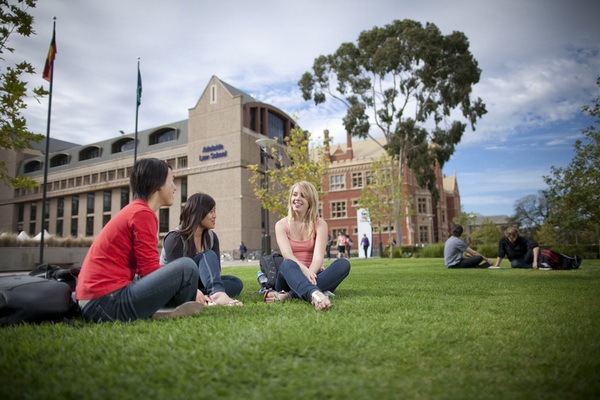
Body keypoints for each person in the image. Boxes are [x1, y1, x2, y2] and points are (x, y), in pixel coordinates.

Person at [76, 158, 204, 322]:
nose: (175, 187)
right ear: (158, 183)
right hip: (105, 303)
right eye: (171, 181)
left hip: (97, 301)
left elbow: (144, 271)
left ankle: (173, 305)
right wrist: (191, 289)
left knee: (183, 272)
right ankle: (171, 308)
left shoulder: (136, 210)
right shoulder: (142, 214)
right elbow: (148, 271)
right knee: (187, 267)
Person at [265, 181, 351, 310]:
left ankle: (289, 295)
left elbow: (318, 258)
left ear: (310, 201)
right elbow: (287, 254)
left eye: (303, 196)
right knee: (288, 263)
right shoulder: (281, 225)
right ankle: (315, 294)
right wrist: (304, 272)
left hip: (314, 275)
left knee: (344, 264)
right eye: (294, 195)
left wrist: (310, 273)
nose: (297, 199)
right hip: (289, 276)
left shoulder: (320, 224)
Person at [162, 193, 243, 306]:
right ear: (197, 213)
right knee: (206, 254)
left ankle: (208, 296)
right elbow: (176, 275)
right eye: (210, 211)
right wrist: (193, 289)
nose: (215, 216)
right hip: (175, 285)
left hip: (200, 283)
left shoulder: (211, 237)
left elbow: (216, 273)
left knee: (236, 282)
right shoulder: (174, 238)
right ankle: (216, 294)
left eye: (214, 211)